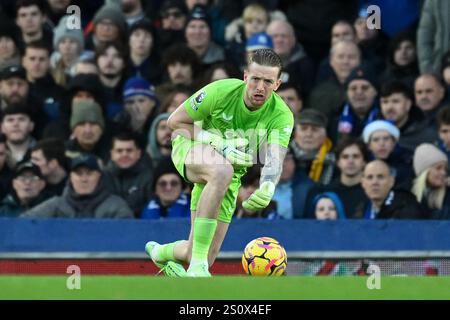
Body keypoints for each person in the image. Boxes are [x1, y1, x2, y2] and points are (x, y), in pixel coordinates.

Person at [145, 49, 293, 277]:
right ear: (245, 77)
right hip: (191, 146)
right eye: (255, 79)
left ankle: (161, 253)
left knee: (201, 252)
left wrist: (268, 186)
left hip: (229, 174)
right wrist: (216, 141)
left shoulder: (281, 116)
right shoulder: (221, 91)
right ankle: (197, 268)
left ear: (277, 84)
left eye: (267, 81)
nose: (260, 87)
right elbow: (175, 122)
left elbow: (274, 159)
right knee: (222, 169)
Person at [21, 153, 134, 219]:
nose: (84, 179)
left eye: (89, 174)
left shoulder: (116, 207)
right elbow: (22, 224)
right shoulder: (56, 205)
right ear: (71, 177)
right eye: (79, 174)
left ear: (99, 176)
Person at [104, 131, 153, 217]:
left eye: (129, 150)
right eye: (119, 151)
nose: (124, 154)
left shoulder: (149, 177)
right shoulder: (102, 177)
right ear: (112, 154)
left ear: (138, 153)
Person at [379, 80, 437, 152]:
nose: (389, 107)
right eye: (385, 102)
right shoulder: (374, 133)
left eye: (395, 101)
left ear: (408, 104)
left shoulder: (427, 135)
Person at [357, 160, 424, 219]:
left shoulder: (408, 208)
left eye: (380, 177)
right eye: (370, 177)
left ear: (391, 181)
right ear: (363, 183)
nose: (374, 182)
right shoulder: (360, 210)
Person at [362, 119, 414, 189]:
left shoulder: (406, 167)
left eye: (386, 139)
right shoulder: (362, 167)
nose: (381, 144)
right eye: (376, 140)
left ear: (393, 143)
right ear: (369, 146)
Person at [290, 109, 335, 185]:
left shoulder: (334, 160)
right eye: (303, 129)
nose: (308, 134)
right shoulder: (283, 156)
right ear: (295, 133)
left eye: (315, 130)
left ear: (325, 135)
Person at [411, 143, 450, 219]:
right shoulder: (406, 197)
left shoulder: (448, 194)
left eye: (445, 169)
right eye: (438, 168)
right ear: (424, 172)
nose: (444, 173)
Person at [416, 0, 450, 74]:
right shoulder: (434, 1)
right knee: (421, 83)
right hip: (441, 66)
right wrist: (427, 70)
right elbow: (425, 36)